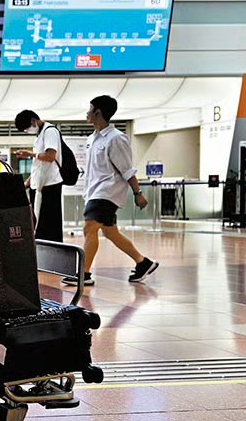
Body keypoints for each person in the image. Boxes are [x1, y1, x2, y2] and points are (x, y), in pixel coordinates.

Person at [64, 95, 159, 287]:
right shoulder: (92, 139)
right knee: (109, 232)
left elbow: (127, 169)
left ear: (98, 112)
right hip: (95, 191)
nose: (87, 113)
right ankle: (143, 263)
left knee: (89, 227)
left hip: (108, 192)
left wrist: (138, 193)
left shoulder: (116, 139)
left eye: (89, 109)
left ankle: (84, 274)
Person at [14, 109, 64, 242]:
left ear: (33, 121)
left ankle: (51, 254)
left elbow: (50, 156)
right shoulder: (40, 135)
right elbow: (39, 165)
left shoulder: (50, 131)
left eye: (27, 128)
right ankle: (41, 253)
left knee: (48, 225)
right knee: (37, 224)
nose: (28, 131)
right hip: (39, 185)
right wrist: (28, 183)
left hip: (49, 185)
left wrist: (30, 154)